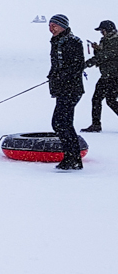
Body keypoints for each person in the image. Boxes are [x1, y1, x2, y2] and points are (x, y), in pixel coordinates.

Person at [47, 14, 85, 170]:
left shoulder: (72, 41)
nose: (51, 29)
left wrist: (61, 76)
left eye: (54, 25)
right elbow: (57, 65)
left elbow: (77, 65)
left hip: (71, 89)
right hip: (63, 89)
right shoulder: (57, 41)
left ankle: (72, 158)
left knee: (61, 123)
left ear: (63, 26)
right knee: (62, 123)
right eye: (49, 26)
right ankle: (72, 157)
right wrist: (53, 77)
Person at [82, 19, 118, 132]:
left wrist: (86, 64)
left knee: (110, 101)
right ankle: (96, 125)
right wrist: (97, 50)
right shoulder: (105, 40)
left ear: (108, 30)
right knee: (97, 99)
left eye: (102, 31)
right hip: (106, 75)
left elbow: (104, 56)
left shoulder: (116, 41)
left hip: (115, 76)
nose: (101, 33)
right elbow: (102, 56)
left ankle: (96, 124)